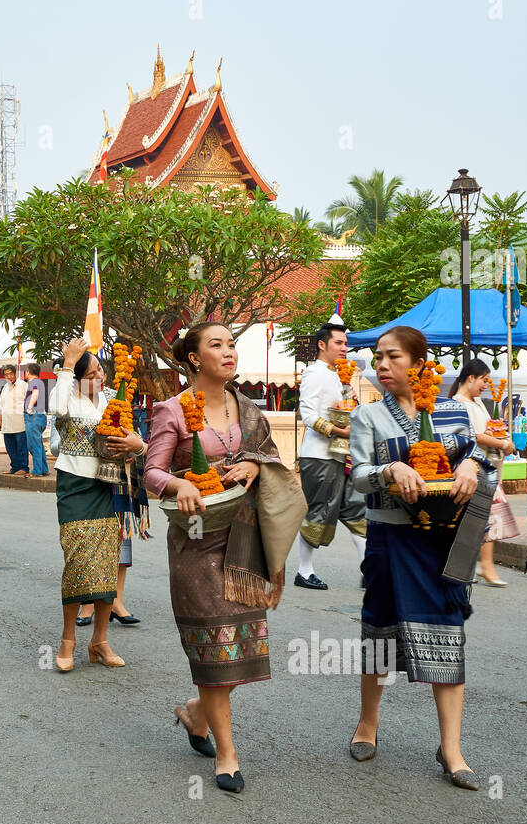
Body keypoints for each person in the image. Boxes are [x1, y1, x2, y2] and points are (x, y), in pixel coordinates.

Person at [144, 323, 304, 794]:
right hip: (195, 542)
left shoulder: (248, 408)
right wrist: (181, 483)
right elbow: (151, 471)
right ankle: (227, 754)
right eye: (216, 345)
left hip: (243, 542)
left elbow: (270, 455)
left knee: (239, 649)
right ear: (194, 359)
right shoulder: (171, 411)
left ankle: (196, 713)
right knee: (214, 649)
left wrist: (255, 464)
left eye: (231, 344)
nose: (228, 351)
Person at [348, 326, 493, 790]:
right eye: (378, 358)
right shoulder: (368, 416)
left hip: (443, 539)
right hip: (391, 538)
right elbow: (358, 475)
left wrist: (471, 464)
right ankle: (367, 723)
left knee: (448, 631)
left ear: (419, 362)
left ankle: (451, 749)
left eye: (392, 357)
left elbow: (475, 457)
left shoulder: (453, 410)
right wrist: (391, 468)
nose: (382, 365)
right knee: (381, 629)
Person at [51, 338, 145, 673]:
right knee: (77, 562)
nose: (100, 378)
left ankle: (100, 641)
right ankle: (68, 641)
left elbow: (130, 438)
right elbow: (57, 409)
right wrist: (67, 363)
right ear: (76, 378)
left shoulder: (110, 399)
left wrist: (135, 445)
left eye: (101, 371)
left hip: (109, 487)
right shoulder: (68, 397)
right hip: (75, 488)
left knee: (108, 562)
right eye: (91, 374)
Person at [293, 319, 366, 590]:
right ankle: (304, 571)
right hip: (319, 455)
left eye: (346, 343)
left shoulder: (339, 374)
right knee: (319, 511)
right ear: (322, 345)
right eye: (339, 343)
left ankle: (368, 569)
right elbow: (308, 415)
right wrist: (338, 431)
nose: (344, 348)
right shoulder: (315, 373)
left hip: (342, 455)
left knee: (357, 508)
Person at [450, 360, 520, 586]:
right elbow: (474, 435)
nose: (485, 385)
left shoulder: (477, 402)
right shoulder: (458, 404)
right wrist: (503, 444)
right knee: (488, 515)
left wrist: (497, 435)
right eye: (483, 380)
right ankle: (484, 566)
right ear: (471, 377)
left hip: (487, 466)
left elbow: (484, 430)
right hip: (474, 467)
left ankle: (476, 566)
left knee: (482, 517)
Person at [0, 365, 29, 476]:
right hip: (7, 421)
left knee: (21, 446)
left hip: (20, 421)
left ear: (15, 373)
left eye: (11, 373)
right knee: (10, 447)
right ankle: (14, 467)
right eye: (6, 374)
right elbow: (2, 405)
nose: (9, 376)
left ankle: (24, 468)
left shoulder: (24, 385)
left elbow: (29, 403)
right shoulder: (5, 387)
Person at [23, 362, 50, 477]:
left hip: (33, 416)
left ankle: (37, 470)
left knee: (33, 444)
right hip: (40, 416)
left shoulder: (33, 382)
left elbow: (35, 394)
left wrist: (29, 407)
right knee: (38, 443)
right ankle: (43, 468)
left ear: (28, 372)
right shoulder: (39, 382)